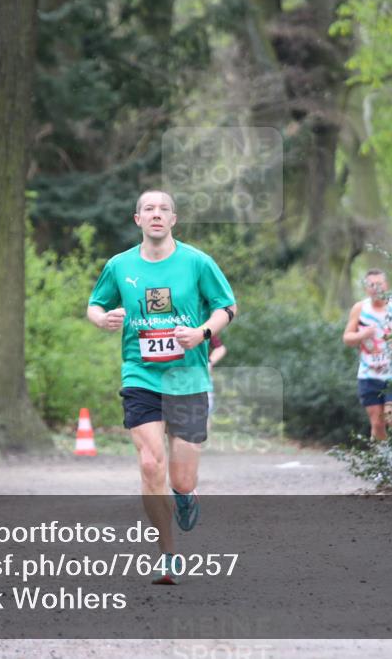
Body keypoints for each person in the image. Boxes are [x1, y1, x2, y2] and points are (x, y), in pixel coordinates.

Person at [87, 190, 237, 585]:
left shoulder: (197, 262)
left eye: (164, 209)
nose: (156, 214)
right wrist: (102, 319)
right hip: (141, 376)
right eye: (149, 209)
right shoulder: (119, 265)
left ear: (174, 219)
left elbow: (227, 307)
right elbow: (95, 304)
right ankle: (168, 554)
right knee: (150, 463)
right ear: (137, 219)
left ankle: (186, 496)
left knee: (181, 479)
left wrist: (202, 332)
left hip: (188, 379)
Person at [342, 269, 392, 441]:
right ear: (366, 288)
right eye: (372, 284)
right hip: (369, 375)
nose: (376, 288)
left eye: (379, 284)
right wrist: (362, 335)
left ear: (386, 286)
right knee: (377, 423)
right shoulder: (360, 309)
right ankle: (383, 456)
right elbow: (347, 338)